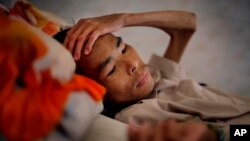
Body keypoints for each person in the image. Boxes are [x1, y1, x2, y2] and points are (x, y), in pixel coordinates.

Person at [54, 10, 250, 141]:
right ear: (96, 90)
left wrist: (124, 19)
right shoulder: (136, 115)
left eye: (123, 48)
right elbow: (223, 135)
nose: (133, 64)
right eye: (112, 70)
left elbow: (187, 25)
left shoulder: (153, 80)